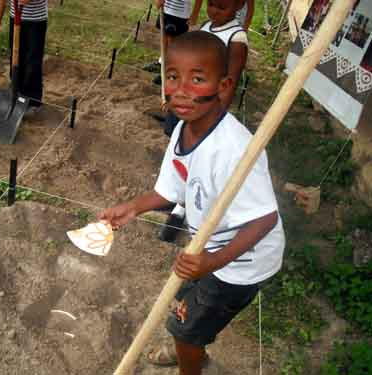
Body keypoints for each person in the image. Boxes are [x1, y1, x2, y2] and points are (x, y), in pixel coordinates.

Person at [99, 31, 285, 374]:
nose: (181, 89)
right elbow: (172, 189)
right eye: (172, 76)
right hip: (207, 252)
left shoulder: (233, 149)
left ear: (224, 85)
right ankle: (190, 350)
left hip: (239, 264)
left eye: (197, 79)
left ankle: (190, 362)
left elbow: (265, 220)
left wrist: (212, 262)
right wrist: (134, 207)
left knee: (185, 325)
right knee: (185, 309)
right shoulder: (186, 128)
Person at [158, 0, 249, 242]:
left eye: (222, 7)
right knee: (181, 156)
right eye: (212, 5)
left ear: (238, 6)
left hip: (206, 114)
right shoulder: (207, 26)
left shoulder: (237, 40)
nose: (215, 11)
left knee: (198, 164)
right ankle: (174, 196)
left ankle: (181, 212)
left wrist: (212, 118)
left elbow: (229, 83)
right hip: (190, 106)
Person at [143, 0, 204, 85]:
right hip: (165, 9)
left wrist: (195, 14)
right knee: (164, 38)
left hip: (180, 14)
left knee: (174, 43)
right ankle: (162, 63)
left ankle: (169, 73)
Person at [9, 0, 48, 110]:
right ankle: (15, 92)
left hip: (36, 20)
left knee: (32, 60)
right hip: (15, 16)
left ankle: (32, 101)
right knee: (15, 56)